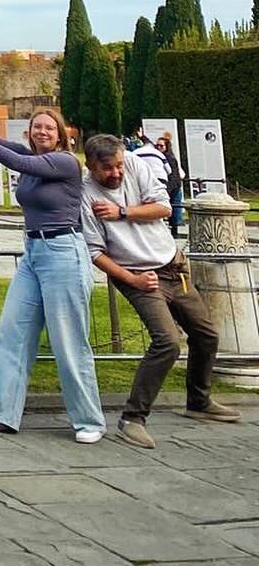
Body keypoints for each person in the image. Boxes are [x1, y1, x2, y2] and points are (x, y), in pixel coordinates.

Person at [0, 91, 106, 444]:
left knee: (68, 340)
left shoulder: (66, 163)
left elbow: (16, 163)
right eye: (36, 126)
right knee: (12, 334)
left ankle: (89, 420)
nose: (41, 132)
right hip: (34, 253)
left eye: (49, 128)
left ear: (61, 134)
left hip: (64, 252)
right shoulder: (28, 153)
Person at [80, 132, 240, 449]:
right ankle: (132, 418)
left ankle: (199, 401)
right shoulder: (86, 194)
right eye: (107, 169)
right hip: (137, 275)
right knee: (167, 342)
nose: (115, 174)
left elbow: (164, 208)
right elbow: (95, 253)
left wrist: (123, 212)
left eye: (118, 166)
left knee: (206, 335)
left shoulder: (136, 165)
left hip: (172, 265)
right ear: (92, 167)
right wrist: (134, 280)